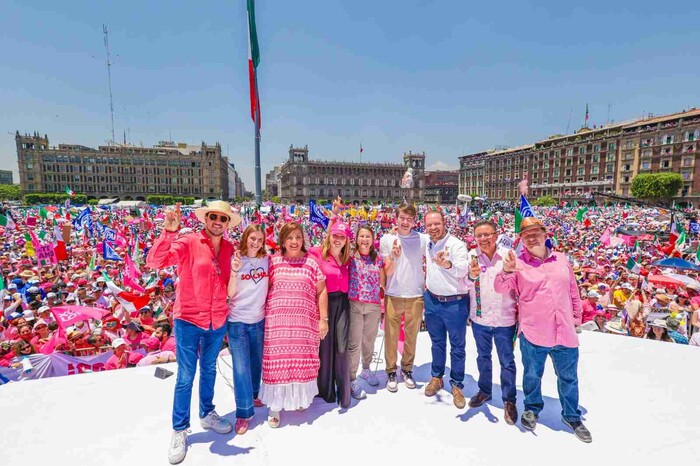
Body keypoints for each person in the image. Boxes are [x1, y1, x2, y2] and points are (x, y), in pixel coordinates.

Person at [146, 200, 241, 465]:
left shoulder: (231, 248)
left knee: (209, 369)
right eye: (213, 217)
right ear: (205, 218)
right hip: (188, 319)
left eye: (223, 219)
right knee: (186, 376)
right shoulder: (187, 241)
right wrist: (169, 232)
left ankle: (207, 413)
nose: (218, 222)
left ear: (227, 223)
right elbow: (154, 262)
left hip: (217, 318)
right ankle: (179, 429)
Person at [495, 217, 592, 443]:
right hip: (533, 332)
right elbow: (500, 287)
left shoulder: (562, 259)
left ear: (545, 233)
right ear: (521, 239)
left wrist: (576, 318)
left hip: (564, 330)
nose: (531, 236)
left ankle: (571, 415)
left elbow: (573, 291)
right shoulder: (516, 263)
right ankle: (532, 408)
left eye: (535, 232)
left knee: (568, 378)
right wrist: (507, 271)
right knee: (532, 375)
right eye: (525, 233)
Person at [259, 222, 328, 428]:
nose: (294, 241)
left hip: (304, 324)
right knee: (276, 364)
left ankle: (298, 398)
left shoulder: (311, 263)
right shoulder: (272, 261)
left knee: (301, 362)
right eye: (290, 237)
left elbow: (321, 290)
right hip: (277, 325)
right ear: (282, 240)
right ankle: (275, 406)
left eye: (298, 237)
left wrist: (323, 320)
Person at [466, 220, 518, 424]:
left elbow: (517, 285)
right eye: (479, 235)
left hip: (504, 319)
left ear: (496, 235)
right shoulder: (470, 256)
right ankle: (485, 390)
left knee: (507, 362)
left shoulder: (508, 256)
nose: (483, 239)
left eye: (487, 235)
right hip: (480, 318)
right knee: (483, 357)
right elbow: (463, 283)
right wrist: (470, 275)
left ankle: (509, 400)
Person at [422, 210, 470, 408]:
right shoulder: (428, 242)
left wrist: (447, 264)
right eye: (429, 225)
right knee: (437, 343)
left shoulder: (457, 245)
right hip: (432, 300)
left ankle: (457, 384)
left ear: (444, 223)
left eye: (436, 223)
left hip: (455, 303)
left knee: (457, 346)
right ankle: (437, 377)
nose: (433, 228)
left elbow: (463, 269)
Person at [379, 203, 428, 392]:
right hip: (393, 293)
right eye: (402, 218)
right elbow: (386, 271)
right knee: (391, 336)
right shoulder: (387, 239)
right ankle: (391, 370)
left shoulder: (422, 239)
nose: (405, 222)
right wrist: (392, 256)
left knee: (411, 336)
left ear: (414, 221)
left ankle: (407, 369)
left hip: (416, 294)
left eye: (409, 219)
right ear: (396, 219)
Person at [226, 224, 269, 435]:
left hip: (259, 320)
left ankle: (253, 395)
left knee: (255, 363)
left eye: (260, 240)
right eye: (253, 238)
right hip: (237, 322)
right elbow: (230, 293)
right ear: (245, 238)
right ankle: (243, 413)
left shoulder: (266, 260)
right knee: (241, 368)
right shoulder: (235, 259)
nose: (256, 243)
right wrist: (234, 271)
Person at [309, 220, 351, 408]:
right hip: (324, 303)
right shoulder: (317, 253)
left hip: (343, 303)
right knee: (325, 348)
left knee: (342, 348)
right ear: (329, 236)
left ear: (346, 240)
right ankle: (325, 391)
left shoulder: (348, 257)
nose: (338, 239)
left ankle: (344, 392)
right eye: (335, 235)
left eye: (342, 236)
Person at [347, 224, 385, 400]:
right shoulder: (350, 256)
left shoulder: (378, 258)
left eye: (367, 236)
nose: (364, 240)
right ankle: (351, 378)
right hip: (354, 303)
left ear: (373, 239)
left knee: (369, 340)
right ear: (356, 239)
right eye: (361, 236)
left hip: (373, 304)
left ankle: (366, 369)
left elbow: (385, 276)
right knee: (354, 343)